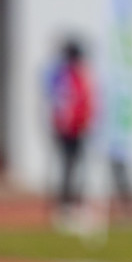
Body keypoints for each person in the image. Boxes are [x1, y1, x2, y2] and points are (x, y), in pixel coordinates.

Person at [44, 40, 95, 219]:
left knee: (73, 167)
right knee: (69, 166)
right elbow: (66, 103)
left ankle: (70, 203)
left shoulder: (71, 76)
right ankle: (65, 204)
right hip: (70, 130)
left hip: (75, 129)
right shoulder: (67, 77)